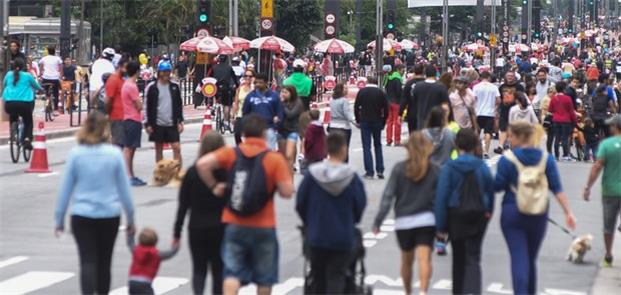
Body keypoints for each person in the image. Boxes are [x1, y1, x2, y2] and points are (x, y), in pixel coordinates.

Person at [196, 114, 294, 295]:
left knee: (232, 273)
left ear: (243, 133)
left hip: (234, 220)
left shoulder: (232, 153)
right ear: (264, 134)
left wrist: (215, 186)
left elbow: (202, 164)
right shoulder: (273, 159)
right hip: (264, 224)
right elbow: (287, 192)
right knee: (264, 277)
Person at [54, 112, 135, 295]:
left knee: (87, 260)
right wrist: (131, 218)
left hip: (82, 214)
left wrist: (59, 219)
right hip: (109, 214)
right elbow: (124, 190)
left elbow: (65, 190)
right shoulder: (114, 154)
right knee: (105, 262)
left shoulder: (76, 154)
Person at [495, 121, 576, 295]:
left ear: (517, 137)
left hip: (512, 211)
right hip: (539, 212)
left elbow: (497, 186)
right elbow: (557, 187)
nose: (509, 139)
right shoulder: (546, 159)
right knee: (531, 258)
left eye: (510, 136)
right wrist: (568, 212)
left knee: (518, 256)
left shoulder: (507, 159)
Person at [296, 131, 367, 294]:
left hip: (316, 236)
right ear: (344, 150)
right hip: (343, 236)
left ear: (326, 149)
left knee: (317, 278)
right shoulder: (352, 177)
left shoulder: (312, 175)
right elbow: (359, 206)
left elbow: (300, 203)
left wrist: (310, 221)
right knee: (337, 277)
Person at [373, 131, 439, 295]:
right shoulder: (435, 169)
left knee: (406, 260)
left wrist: (378, 221)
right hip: (427, 220)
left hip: (404, 221)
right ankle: (423, 291)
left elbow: (388, 196)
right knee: (424, 259)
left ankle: (408, 291)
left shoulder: (399, 168)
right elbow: (441, 198)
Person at [435, 128, 494, 295]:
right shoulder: (482, 166)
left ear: (456, 144)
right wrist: (487, 214)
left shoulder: (450, 167)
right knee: (474, 257)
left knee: (458, 258)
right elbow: (489, 192)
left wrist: (440, 226)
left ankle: (458, 291)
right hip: (478, 215)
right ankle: (474, 291)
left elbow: (442, 197)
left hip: (456, 216)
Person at [173, 131, 226, 294]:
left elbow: (183, 206)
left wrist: (177, 233)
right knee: (219, 270)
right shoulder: (225, 172)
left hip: (196, 226)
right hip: (221, 227)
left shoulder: (192, 172)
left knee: (199, 268)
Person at [583, 115, 621, 267]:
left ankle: (608, 255)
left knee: (608, 226)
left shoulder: (606, 144)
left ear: (616, 127)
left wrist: (588, 187)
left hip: (610, 191)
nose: (609, 128)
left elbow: (597, 166)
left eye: (611, 126)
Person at [144, 61, 185, 166]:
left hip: (172, 123)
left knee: (176, 147)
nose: (166, 74)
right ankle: (160, 173)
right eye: (163, 72)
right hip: (157, 123)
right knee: (159, 148)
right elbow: (147, 106)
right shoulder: (152, 88)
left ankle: (177, 172)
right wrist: (147, 123)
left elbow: (179, 105)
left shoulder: (174, 87)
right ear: (159, 72)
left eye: (168, 71)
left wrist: (180, 121)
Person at [2, 58, 41, 150]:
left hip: (9, 104)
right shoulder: (28, 76)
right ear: (24, 66)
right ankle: (27, 139)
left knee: (13, 117)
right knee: (28, 121)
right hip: (25, 103)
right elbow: (36, 86)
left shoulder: (8, 74)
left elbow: (4, 85)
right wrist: (42, 89)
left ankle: (13, 133)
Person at [354, 76, 389, 179]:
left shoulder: (362, 92)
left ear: (367, 82)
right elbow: (386, 109)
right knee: (378, 145)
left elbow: (356, 107)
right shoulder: (381, 93)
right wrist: (383, 122)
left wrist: (358, 120)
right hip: (377, 120)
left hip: (365, 120)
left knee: (366, 146)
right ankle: (380, 170)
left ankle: (369, 171)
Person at [126, 228, 179, 295]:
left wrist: (130, 235)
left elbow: (130, 244)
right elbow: (169, 254)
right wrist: (175, 247)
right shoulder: (156, 254)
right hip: (145, 283)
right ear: (155, 241)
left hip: (132, 281)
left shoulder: (136, 250)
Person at [120, 61, 146, 186]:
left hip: (127, 118)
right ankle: (128, 175)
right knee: (129, 148)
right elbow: (139, 105)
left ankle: (130, 174)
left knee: (130, 148)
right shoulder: (132, 86)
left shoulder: (126, 84)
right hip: (133, 119)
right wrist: (141, 102)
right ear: (137, 71)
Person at [401, 64, 450, 131]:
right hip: (436, 121)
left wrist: (401, 113)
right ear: (435, 73)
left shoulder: (418, 87)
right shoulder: (441, 87)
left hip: (421, 118)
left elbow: (413, 101)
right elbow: (446, 105)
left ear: (425, 73)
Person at [242, 73, 284, 151]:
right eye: (256, 82)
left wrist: (278, 120)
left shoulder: (274, 95)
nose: (258, 84)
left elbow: (280, 111)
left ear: (266, 83)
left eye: (260, 82)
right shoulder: (250, 96)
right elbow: (245, 112)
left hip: (269, 128)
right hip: (254, 129)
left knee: (269, 152)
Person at [496, 71, 525, 154]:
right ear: (505, 77)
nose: (510, 77)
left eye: (511, 76)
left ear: (514, 77)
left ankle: (513, 145)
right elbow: (499, 99)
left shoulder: (519, 87)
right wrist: (497, 110)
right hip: (504, 110)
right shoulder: (502, 87)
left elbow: (522, 98)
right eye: (508, 76)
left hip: (516, 111)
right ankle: (500, 146)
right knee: (503, 129)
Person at [473, 71, 500, 158]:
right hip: (490, 113)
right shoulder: (494, 87)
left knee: (477, 132)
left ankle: (476, 149)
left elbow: (474, 99)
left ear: (481, 77)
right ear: (489, 77)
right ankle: (485, 151)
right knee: (488, 132)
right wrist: (495, 107)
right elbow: (498, 100)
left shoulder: (476, 87)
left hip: (478, 112)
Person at [548, 81, 578, 162]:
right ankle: (565, 155)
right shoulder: (567, 98)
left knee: (557, 138)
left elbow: (550, 109)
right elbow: (571, 111)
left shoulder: (554, 98)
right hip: (566, 120)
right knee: (565, 138)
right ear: (564, 89)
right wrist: (575, 121)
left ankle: (556, 155)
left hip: (556, 120)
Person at [329, 83, 357, 163]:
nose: (347, 90)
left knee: (334, 149)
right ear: (341, 90)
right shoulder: (344, 101)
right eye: (345, 88)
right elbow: (347, 114)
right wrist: (355, 123)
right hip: (344, 127)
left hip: (333, 126)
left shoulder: (332, 100)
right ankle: (343, 167)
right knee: (344, 149)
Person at [278, 86, 304, 173]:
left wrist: (282, 105)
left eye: (286, 92)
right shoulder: (279, 102)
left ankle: (291, 167)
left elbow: (290, 114)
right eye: (282, 92)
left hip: (293, 130)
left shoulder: (297, 103)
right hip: (281, 130)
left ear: (291, 93)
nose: (283, 94)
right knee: (282, 155)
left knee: (289, 154)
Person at [105, 57, 128, 147]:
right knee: (118, 144)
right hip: (116, 117)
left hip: (123, 116)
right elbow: (108, 100)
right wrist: (109, 114)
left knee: (122, 144)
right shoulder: (113, 79)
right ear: (120, 66)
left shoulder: (122, 80)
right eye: (126, 67)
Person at [213, 55, 239, 129]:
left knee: (214, 94)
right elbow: (234, 77)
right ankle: (225, 121)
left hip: (216, 88)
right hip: (226, 88)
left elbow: (210, 77)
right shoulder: (229, 68)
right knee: (227, 105)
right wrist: (237, 85)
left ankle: (215, 106)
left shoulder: (214, 67)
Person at [401, 64, 426, 132]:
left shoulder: (409, 84)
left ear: (414, 71)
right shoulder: (426, 83)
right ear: (423, 71)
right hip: (425, 114)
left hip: (412, 113)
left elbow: (404, 100)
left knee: (413, 136)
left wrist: (400, 113)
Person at [384, 64, 404, 146]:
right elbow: (399, 92)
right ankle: (397, 140)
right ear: (399, 70)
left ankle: (388, 140)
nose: (403, 72)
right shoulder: (398, 79)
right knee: (397, 122)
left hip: (389, 102)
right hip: (396, 103)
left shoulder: (389, 78)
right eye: (403, 70)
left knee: (389, 122)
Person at [38, 46, 63, 113]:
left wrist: (40, 75)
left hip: (46, 77)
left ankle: (47, 101)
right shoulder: (58, 59)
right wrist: (61, 76)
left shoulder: (44, 59)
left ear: (48, 51)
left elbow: (41, 67)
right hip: (55, 78)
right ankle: (55, 109)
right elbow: (61, 68)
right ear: (54, 51)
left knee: (46, 92)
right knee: (56, 93)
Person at [232, 69, 254, 144]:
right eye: (246, 76)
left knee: (250, 136)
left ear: (253, 78)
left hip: (251, 116)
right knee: (237, 134)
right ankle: (241, 149)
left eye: (250, 76)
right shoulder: (239, 89)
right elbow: (236, 103)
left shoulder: (255, 89)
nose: (248, 78)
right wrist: (233, 115)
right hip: (240, 115)